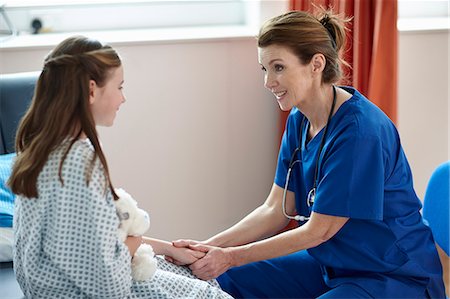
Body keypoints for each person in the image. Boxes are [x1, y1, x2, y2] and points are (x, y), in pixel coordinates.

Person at [171, 9, 447, 299]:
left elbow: (319, 231)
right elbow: (274, 210)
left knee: (229, 265)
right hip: (332, 263)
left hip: (390, 275)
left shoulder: (360, 132)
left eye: (278, 67)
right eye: (264, 69)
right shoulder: (300, 118)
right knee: (221, 280)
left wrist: (230, 256)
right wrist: (209, 248)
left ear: (316, 64)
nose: (268, 82)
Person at [8, 35, 232, 299]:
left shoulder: (44, 148)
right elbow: (108, 285)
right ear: (91, 90)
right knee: (213, 294)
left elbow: (94, 247)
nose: (123, 99)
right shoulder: (76, 164)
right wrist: (136, 239)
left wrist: (169, 248)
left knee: (191, 274)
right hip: (78, 293)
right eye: (120, 87)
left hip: (54, 287)